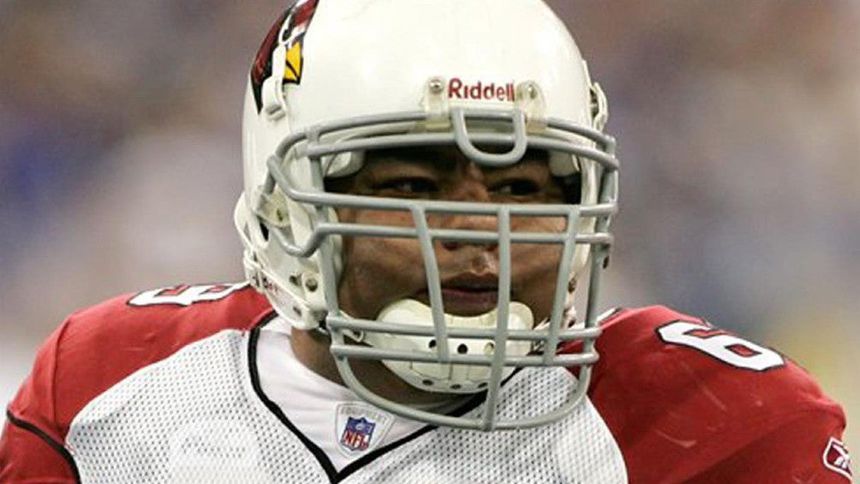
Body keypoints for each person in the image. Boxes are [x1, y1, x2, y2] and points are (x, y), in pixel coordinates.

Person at [0, 0, 851, 482]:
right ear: (288, 208)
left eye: (523, 190)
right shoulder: (117, 387)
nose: (480, 237)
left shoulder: (711, 421)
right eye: (411, 188)